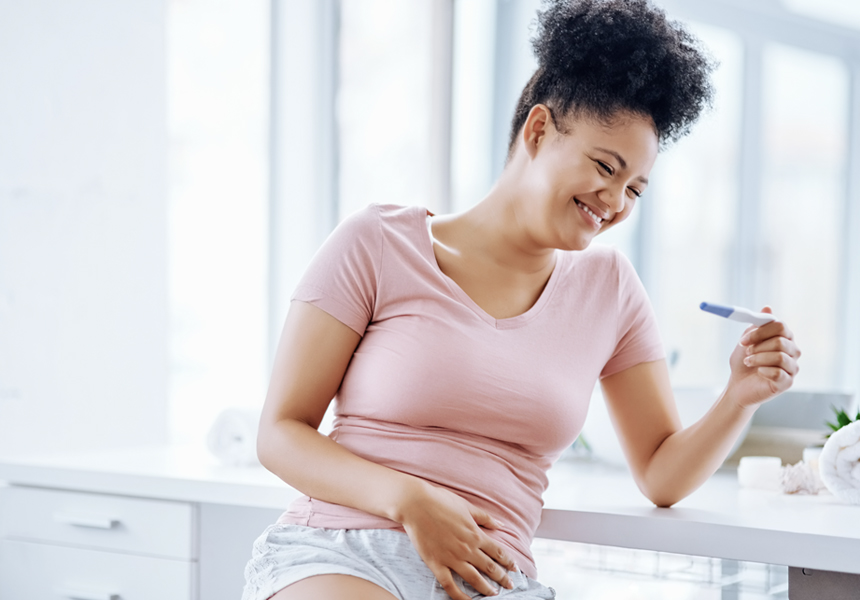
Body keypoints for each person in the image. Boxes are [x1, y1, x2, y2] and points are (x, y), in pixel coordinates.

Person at [242, 1, 801, 599]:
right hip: (346, 553)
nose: (614, 202)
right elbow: (280, 433)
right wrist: (410, 500)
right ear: (538, 130)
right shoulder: (378, 243)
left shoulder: (609, 291)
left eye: (634, 187)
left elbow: (662, 473)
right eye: (605, 167)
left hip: (494, 581)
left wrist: (739, 397)